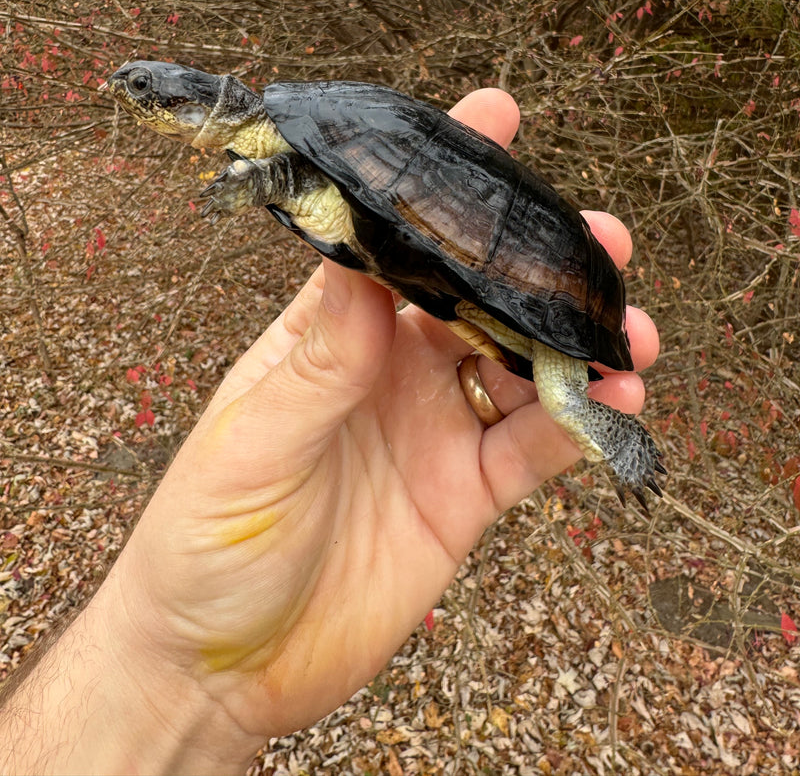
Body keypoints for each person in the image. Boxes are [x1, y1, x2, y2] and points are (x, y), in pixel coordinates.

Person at [0, 88, 659, 775]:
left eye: (151, 99)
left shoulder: (309, 128)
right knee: (554, 389)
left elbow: (338, 188)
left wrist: (256, 182)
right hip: (469, 277)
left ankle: (617, 439)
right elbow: (325, 185)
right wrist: (176, 668)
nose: (140, 105)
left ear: (194, 109)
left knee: (563, 393)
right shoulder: (311, 122)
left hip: (520, 273)